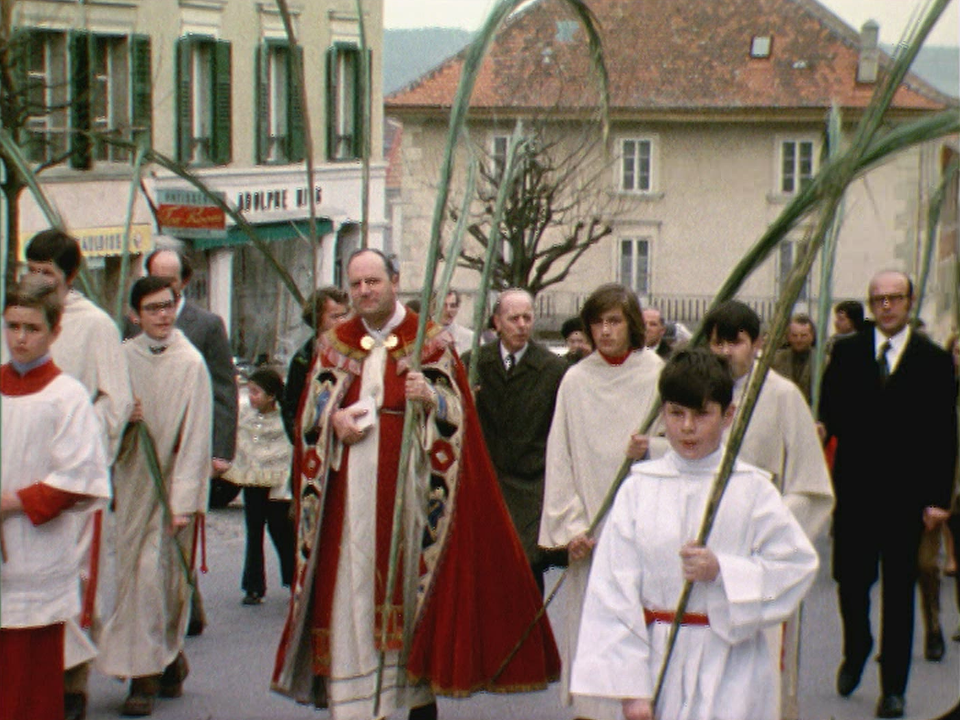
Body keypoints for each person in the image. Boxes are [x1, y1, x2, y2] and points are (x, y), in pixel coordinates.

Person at [272, 249, 560, 719]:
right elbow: (309, 418)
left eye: (374, 282)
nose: (364, 291)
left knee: (406, 598)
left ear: (395, 281)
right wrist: (333, 422)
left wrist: (430, 399)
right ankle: (355, 702)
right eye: (356, 284)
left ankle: (409, 700)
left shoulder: (429, 342)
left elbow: (460, 419)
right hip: (349, 502)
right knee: (350, 594)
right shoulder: (333, 344)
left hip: (411, 497)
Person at [570, 349, 819, 720]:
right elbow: (612, 590)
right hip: (657, 660)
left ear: (728, 415)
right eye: (676, 414)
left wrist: (724, 571)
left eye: (702, 414)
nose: (687, 427)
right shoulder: (639, 489)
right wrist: (630, 689)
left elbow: (795, 565)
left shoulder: (752, 489)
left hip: (731, 663)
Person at [820, 270, 958, 719]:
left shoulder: (934, 361)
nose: (885, 306)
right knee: (851, 585)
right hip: (855, 495)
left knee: (899, 593)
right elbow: (829, 417)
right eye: (877, 298)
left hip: (906, 500)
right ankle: (857, 646)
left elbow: (944, 434)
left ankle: (893, 687)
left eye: (894, 298)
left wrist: (939, 498)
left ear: (909, 301)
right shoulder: (846, 353)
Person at [702, 300, 834, 720]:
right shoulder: (695, 391)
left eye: (735, 343)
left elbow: (811, 487)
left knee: (760, 673)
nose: (725, 352)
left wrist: (767, 522)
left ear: (757, 343)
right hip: (704, 554)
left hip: (756, 553)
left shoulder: (782, 396)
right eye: (717, 343)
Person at [539, 283, 663, 720]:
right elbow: (561, 458)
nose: (606, 331)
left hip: (642, 528)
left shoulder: (657, 376)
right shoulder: (576, 379)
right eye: (598, 322)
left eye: (615, 321)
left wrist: (651, 448)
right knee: (591, 628)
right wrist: (571, 527)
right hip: (590, 532)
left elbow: (683, 447)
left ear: (632, 324)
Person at [24, 229, 134, 720]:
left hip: (72, 478)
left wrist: (79, 437)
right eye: (32, 269)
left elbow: (116, 399)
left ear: (69, 276)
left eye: (47, 273)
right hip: (23, 476)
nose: (37, 279)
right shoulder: (20, 324)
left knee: (74, 581)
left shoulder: (94, 327)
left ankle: (72, 684)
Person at [97, 277, 213, 716]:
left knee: (158, 579)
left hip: (170, 489)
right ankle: (166, 663)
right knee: (133, 578)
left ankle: (144, 676)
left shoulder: (191, 363)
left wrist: (184, 499)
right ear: (134, 314)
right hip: (133, 482)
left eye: (168, 306)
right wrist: (125, 418)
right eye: (152, 308)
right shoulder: (121, 359)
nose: (162, 315)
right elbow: (104, 419)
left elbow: (198, 436)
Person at [0, 276, 111, 720]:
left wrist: (12, 502)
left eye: (32, 328)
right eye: (12, 326)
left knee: (28, 685)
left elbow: (81, 478)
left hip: (34, 552)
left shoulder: (65, 396)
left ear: (55, 332)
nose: (20, 338)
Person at [145, 248, 237, 636]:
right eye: (155, 277)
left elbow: (224, 388)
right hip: (148, 448)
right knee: (152, 540)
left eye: (170, 279)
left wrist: (221, 449)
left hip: (190, 446)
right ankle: (185, 606)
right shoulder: (135, 323)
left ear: (184, 282)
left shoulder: (207, 325)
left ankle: (178, 614)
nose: (164, 288)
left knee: (179, 535)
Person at [462, 288, 568, 592]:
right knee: (483, 575)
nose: (522, 325)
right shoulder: (474, 364)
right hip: (485, 483)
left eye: (527, 317)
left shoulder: (553, 369)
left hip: (530, 488)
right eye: (513, 318)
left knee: (524, 574)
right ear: (497, 322)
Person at [223, 368, 294, 606]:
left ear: (271, 395)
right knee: (253, 533)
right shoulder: (245, 416)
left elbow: (289, 451)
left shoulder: (284, 419)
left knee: (280, 530)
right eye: (249, 391)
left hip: (278, 484)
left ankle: (294, 578)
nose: (251, 397)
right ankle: (253, 587)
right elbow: (240, 443)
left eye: (256, 392)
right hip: (252, 481)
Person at [281, 287, 350, 442]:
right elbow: (291, 407)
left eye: (345, 315)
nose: (342, 322)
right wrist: (301, 441)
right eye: (335, 317)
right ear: (317, 319)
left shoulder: (355, 354)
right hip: (313, 445)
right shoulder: (303, 359)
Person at [770, 313, 816, 404]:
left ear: (812, 336)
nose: (799, 340)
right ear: (788, 336)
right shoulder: (776, 359)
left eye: (803, 336)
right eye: (794, 335)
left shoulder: (823, 362)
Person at [439, 289, 474, 355]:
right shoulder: (423, 338)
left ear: (458, 308)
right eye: (444, 305)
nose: (448, 310)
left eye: (452, 306)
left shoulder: (470, 338)